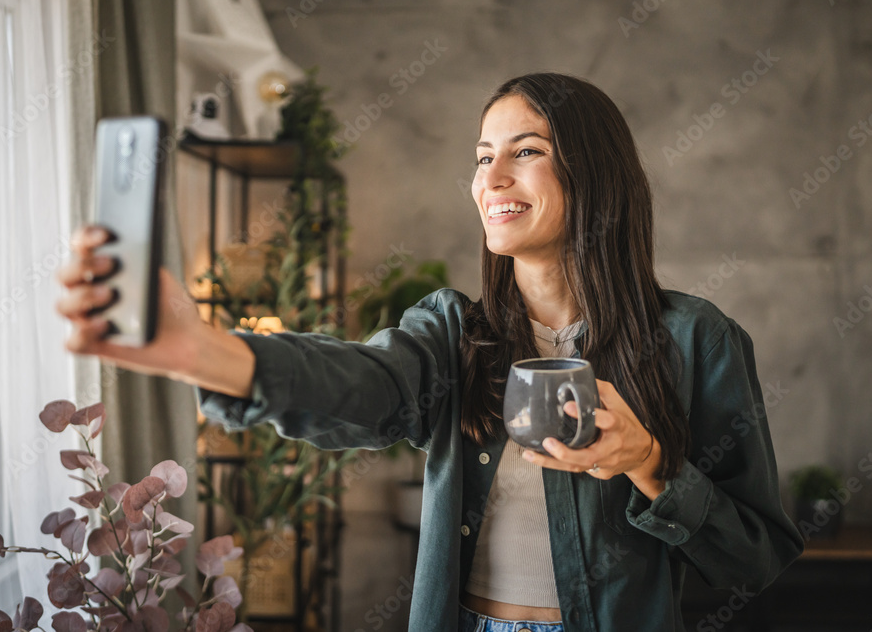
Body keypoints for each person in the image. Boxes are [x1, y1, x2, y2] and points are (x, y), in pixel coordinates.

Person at [56, 72, 804, 632]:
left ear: (595, 173)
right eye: (483, 158)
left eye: (526, 152)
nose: (492, 179)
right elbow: (362, 384)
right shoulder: (453, 333)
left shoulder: (696, 340)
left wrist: (649, 464)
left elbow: (758, 557)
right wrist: (205, 352)